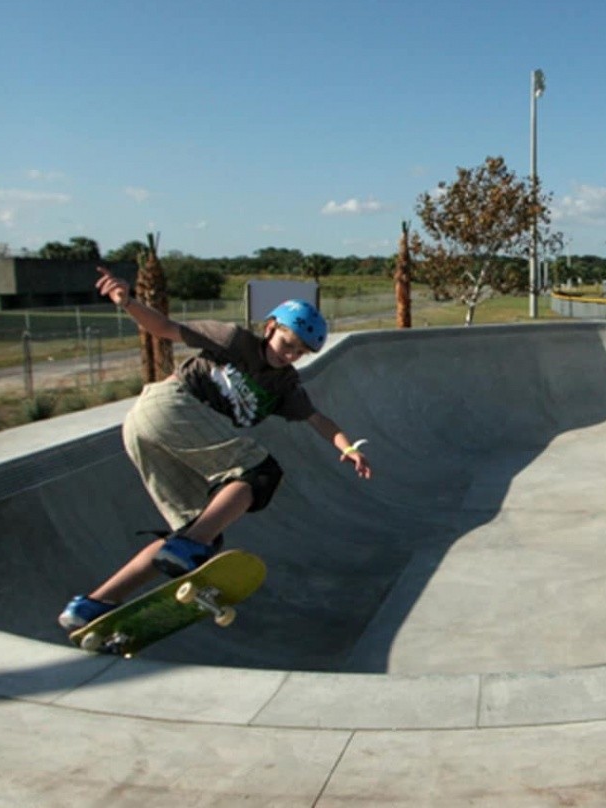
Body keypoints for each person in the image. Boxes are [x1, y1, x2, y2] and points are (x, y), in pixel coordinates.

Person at [58, 268, 373, 630]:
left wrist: (347, 447)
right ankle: (189, 547)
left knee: (197, 530)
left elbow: (319, 420)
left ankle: (93, 604)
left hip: (156, 433)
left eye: (300, 353)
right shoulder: (234, 339)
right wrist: (128, 302)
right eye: (288, 344)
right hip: (168, 406)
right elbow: (165, 329)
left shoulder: (285, 386)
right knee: (260, 473)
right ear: (270, 327)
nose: (291, 356)